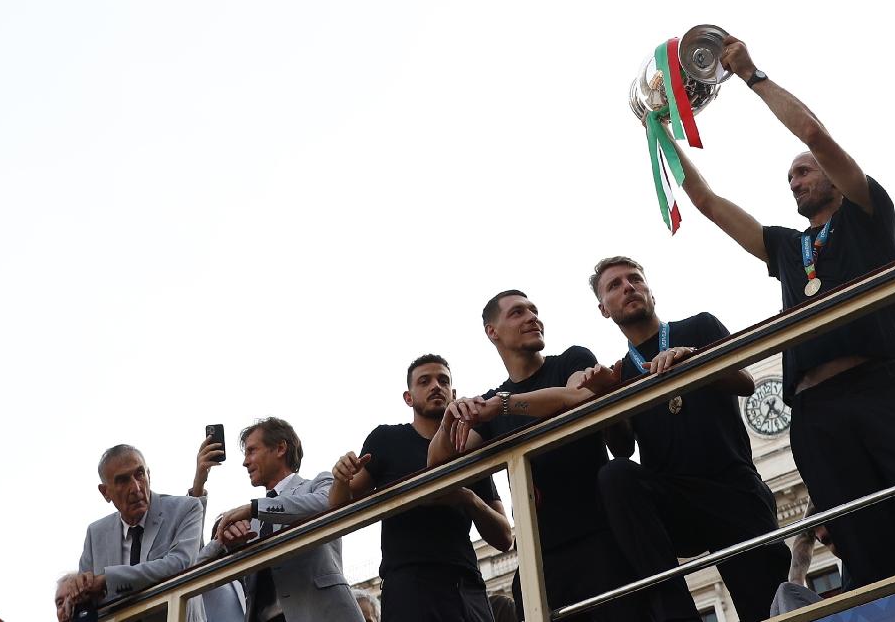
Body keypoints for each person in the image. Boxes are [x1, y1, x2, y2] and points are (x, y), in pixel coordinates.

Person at [668, 41, 895, 588]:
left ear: (833, 175)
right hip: (815, 413)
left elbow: (814, 134)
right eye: (790, 178)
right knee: (867, 547)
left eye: (805, 173)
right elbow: (708, 202)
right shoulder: (787, 248)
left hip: (883, 389)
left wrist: (751, 76)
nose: (796, 180)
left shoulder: (865, 211)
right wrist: (661, 133)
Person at [580, 256, 787, 621]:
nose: (628, 287)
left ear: (651, 292)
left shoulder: (698, 326)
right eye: (615, 285)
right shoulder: (622, 371)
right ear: (603, 309)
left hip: (732, 488)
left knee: (768, 609)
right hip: (676, 500)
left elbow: (745, 382)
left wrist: (693, 361)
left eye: (635, 279)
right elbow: (623, 447)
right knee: (615, 475)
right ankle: (674, 612)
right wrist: (605, 402)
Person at [429, 291, 639, 622]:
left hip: (600, 539)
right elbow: (439, 467)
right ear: (492, 332)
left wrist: (507, 403)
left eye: (534, 310)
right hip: (540, 556)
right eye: (517, 313)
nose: (531, 317)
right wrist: (448, 422)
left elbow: (577, 395)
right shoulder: (491, 406)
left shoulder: (570, 360)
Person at [331, 355, 512, 622]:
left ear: (454, 394)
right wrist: (340, 478)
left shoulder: (469, 446)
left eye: (443, 380)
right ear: (408, 397)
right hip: (409, 585)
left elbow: (504, 537)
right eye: (424, 381)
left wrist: (467, 498)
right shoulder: (386, 440)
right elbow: (337, 509)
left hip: (466, 584)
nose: (435, 386)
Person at [203, 418, 366, 622]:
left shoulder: (317, 484)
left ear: (280, 448)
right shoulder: (247, 522)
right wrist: (222, 542)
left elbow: (328, 502)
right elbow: (195, 569)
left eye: (252, 451)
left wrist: (255, 508)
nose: (245, 462)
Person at [57, 444, 241, 622]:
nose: (136, 488)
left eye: (139, 474)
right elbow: (87, 600)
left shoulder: (186, 509)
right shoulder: (95, 534)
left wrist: (107, 580)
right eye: (123, 480)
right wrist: (78, 592)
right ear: (105, 492)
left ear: (149, 475)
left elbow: (180, 565)